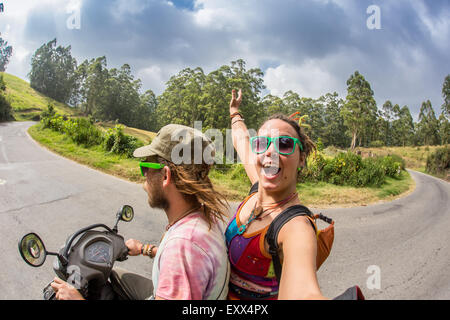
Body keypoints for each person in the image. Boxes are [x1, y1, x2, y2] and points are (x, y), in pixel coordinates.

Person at [51, 124, 230, 300]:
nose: (144, 177)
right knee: (114, 276)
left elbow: (182, 255)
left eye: (145, 168)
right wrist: (145, 249)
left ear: (166, 176)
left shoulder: (182, 247)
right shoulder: (204, 216)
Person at [225, 89, 327, 300]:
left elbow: (304, 291)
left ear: (301, 159)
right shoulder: (258, 187)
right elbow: (242, 140)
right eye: (262, 143)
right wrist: (235, 113)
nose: (270, 151)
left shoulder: (294, 226)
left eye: (285, 144)